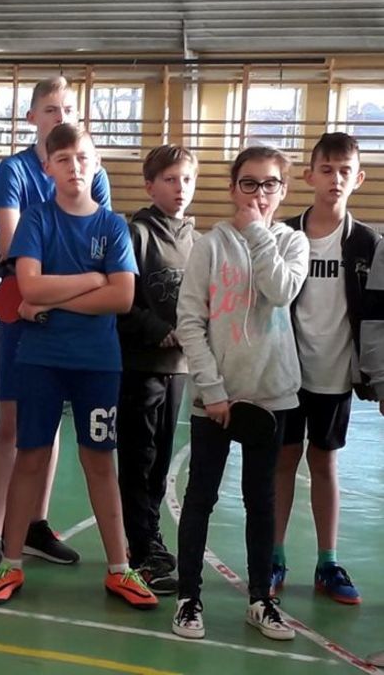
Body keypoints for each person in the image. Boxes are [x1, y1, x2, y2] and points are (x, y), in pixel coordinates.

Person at [0, 124, 156, 612]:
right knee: (30, 457)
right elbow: (30, 288)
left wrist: (57, 298)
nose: (74, 166)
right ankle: (10, 562)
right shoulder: (36, 219)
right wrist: (92, 281)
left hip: (98, 365)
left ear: (96, 163)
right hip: (40, 361)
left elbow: (122, 298)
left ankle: (119, 568)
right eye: (63, 160)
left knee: (100, 461)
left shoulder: (113, 226)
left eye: (82, 157)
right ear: (48, 167)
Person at [0, 76, 110, 583]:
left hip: (69, 320)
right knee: (10, 425)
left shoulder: (95, 171)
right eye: (50, 109)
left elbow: (102, 254)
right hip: (23, 317)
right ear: (32, 118)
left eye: (68, 108)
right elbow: (12, 249)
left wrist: (54, 282)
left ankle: (35, 526)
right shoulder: (15, 171)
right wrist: (66, 276)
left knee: (51, 426)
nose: (60, 116)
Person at [171, 146, 308, 641]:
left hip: (272, 396)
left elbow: (281, 290)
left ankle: (260, 600)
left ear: (283, 191)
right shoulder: (208, 246)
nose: (259, 193)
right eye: (248, 183)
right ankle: (188, 598)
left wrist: (257, 233)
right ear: (232, 188)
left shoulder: (293, 243)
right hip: (216, 399)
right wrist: (211, 389)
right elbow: (190, 321)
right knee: (200, 497)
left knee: (261, 501)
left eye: (270, 184)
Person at [275, 132, 379, 604]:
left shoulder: (368, 244)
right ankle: (274, 557)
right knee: (282, 462)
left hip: (334, 375)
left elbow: (378, 316)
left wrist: (377, 379)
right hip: (284, 374)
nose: (335, 179)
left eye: (344, 171)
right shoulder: (284, 235)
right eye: (327, 169)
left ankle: (327, 562)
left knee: (324, 463)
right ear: (309, 175)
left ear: (358, 178)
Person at [115, 145, 198, 595]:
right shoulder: (136, 234)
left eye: (186, 179)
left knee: (161, 460)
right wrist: (156, 329)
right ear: (150, 186)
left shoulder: (196, 240)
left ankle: (150, 539)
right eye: (170, 179)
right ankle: (142, 547)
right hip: (140, 366)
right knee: (139, 458)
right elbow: (120, 299)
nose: (180, 188)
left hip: (177, 368)